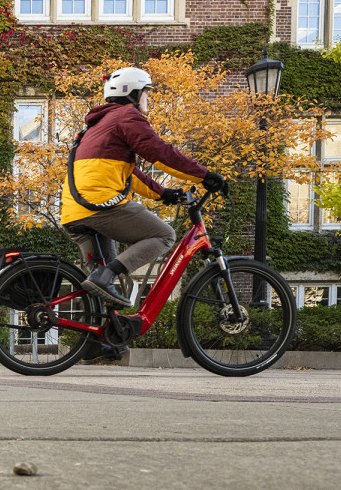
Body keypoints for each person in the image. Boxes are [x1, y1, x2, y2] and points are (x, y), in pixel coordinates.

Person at [61, 66, 225, 361]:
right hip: (100, 206)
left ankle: (96, 341)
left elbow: (128, 173)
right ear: (133, 93)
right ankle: (106, 275)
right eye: (147, 93)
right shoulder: (127, 117)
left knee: (100, 285)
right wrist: (203, 176)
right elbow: (160, 152)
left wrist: (164, 194)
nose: (148, 99)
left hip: (75, 211)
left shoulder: (98, 125)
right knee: (164, 235)